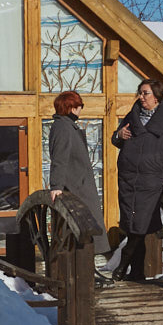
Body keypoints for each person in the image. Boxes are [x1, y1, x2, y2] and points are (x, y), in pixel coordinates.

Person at [111, 78, 163, 281]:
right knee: (132, 224)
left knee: (140, 224)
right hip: (127, 180)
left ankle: (124, 264)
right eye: (140, 93)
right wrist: (119, 134)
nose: (141, 97)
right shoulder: (132, 114)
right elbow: (114, 138)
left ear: (157, 96)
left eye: (145, 93)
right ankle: (137, 273)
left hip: (151, 181)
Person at [47, 91, 112, 268]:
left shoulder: (66, 126)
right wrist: (56, 185)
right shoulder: (64, 127)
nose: (81, 109)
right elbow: (59, 158)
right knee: (83, 228)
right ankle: (82, 269)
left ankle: (86, 268)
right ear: (72, 108)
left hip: (79, 184)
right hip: (76, 187)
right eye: (79, 106)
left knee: (86, 228)